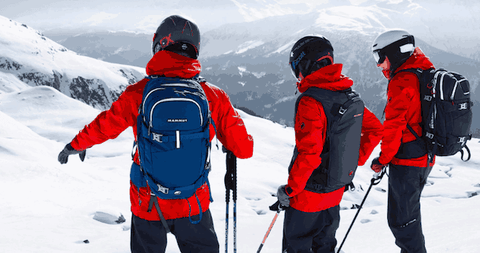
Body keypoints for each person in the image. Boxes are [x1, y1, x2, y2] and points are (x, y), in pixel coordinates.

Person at [57, 15, 254, 253]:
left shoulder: (138, 93)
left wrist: (76, 144)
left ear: (160, 44)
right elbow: (244, 150)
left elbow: (105, 125)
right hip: (194, 202)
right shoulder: (213, 96)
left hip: (147, 201)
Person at [276, 35, 383, 253]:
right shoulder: (347, 94)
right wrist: (351, 161)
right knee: (325, 246)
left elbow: (309, 154)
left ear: (305, 64)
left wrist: (290, 190)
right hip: (335, 192)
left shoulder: (310, 100)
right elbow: (375, 130)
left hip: (308, 195)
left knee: (297, 247)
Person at [370, 29, 435, 253]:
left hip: (407, 160)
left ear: (394, 53)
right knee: (409, 218)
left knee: (402, 222)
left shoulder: (402, 80)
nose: (380, 65)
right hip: (426, 155)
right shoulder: (424, 71)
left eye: (381, 58)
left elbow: (394, 125)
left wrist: (383, 158)